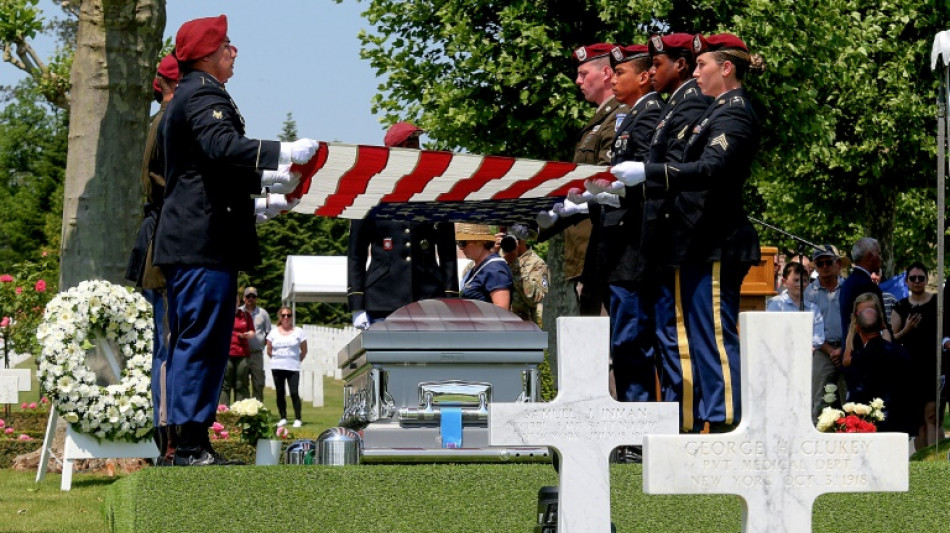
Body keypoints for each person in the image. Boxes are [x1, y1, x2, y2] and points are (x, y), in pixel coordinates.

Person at [154, 14, 320, 466]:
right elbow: (222, 148)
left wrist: (267, 194)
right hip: (200, 244)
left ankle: (192, 441)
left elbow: (210, 178)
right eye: (227, 43)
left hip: (202, 240)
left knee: (202, 341)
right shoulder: (202, 93)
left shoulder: (192, 94)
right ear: (208, 53)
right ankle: (187, 444)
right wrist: (283, 151)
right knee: (200, 342)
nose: (234, 49)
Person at [608, 33, 763, 433]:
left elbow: (712, 169)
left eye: (702, 65)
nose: (695, 73)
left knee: (712, 337)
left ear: (726, 68)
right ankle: (700, 423)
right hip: (695, 240)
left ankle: (727, 424)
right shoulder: (714, 112)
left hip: (716, 239)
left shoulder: (735, 111)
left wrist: (650, 172)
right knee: (694, 339)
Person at [539, 43, 627, 316]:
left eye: (582, 73)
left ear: (605, 73)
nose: (577, 81)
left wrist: (570, 203)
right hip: (587, 250)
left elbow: (606, 179)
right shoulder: (600, 119)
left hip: (603, 247)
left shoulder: (618, 116)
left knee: (605, 340)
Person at [347, 122, 458, 329]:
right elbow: (356, 253)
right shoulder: (371, 193)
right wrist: (357, 304)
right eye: (410, 143)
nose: (417, 148)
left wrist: (451, 297)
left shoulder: (434, 190)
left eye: (417, 142)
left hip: (428, 295)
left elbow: (447, 250)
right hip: (383, 297)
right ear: (394, 151)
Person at [124, 53, 179, 465]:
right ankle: (167, 438)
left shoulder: (167, 119)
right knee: (167, 346)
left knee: (170, 342)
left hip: (163, 236)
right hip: (163, 244)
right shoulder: (167, 122)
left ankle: (171, 434)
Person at [842, 292, 916, 434]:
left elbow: (882, 356)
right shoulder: (853, 334)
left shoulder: (883, 339)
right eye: (861, 312)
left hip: (883, 397)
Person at [890, 262, 938, 448]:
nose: (917, 281)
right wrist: (906, 329)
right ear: (906, 281)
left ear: (926, 280)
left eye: (921, 278)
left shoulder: (937, 303)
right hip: (910, 368)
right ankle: (920, 464)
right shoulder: (901, 306)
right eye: (913, 278)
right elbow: (892, 338)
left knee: (932, 416)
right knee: (918, 422)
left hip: (933, 365)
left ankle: (934, 464)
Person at [804, 244, 848, 417]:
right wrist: (830, 350)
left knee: (850, 400)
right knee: (820, 399)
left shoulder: (848, 289)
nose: (824, 267)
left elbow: (855, 320)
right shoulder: (809, 293)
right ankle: (816, 435)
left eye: (828, 262)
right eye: (819, 263)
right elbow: (808, 326)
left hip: (848, 349)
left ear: (837, 264)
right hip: (822, 352)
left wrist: (844, 349)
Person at [766, 262, 824, 351]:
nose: (800, 284)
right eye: (796, 280)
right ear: (784, 282)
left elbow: (819, 337)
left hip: (806, 354)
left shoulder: (813, 308)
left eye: (804, 280)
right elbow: (771, 333)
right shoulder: (775, 305)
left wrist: (804, 345)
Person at [267, 306, 308, 428]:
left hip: (293, 367)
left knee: (294, 392)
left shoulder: (298, 332)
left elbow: (304, 350)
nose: (286, 318)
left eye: (288, 315)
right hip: (277, 366)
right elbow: (269, 350)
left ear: (291, 317)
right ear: (279, 316)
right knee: (280, 393)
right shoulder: (273, 332)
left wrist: (296, 360)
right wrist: (278, 360)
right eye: (283, 315)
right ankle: (283, 417)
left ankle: (298, 418)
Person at [500, 224, 549, 324]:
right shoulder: (498, 259)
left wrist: (516, 267)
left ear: (522, 240)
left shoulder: (538, 264)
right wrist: (492, 253)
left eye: (511, 238)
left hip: (524, 328)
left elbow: (535, 299)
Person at [457, 223, 513, 308]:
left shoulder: (495, 269)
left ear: (480, 242)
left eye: (463, 243)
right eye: (459, 243)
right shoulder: (478, 266)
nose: (461, 248)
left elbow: (502, 311)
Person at [838, 237, 886, 339]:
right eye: (879, 254)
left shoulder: (848, 283)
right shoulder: (867, 286)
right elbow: (878, 324)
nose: (881, 258)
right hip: (866, 350)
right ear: (870, 256)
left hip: (850, 348)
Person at [219, 295, 254, 406]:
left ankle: (240, 413)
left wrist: (246, 335)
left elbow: (252, 332)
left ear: (239, 302)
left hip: (242, 354)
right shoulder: (222, 315)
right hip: (226, 354)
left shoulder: (245, 315)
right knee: (225, 385)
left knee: (241, 384)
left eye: (236, 301)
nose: (234, 303)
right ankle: (225, 413)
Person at [239, 286, 271, 402]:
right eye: (248, 296)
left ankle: (257, 411)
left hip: (256, 354)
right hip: (241, 354)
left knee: (258, 383)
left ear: (256, 298)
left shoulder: (263, 314)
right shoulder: (238, 312)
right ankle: (244, 411)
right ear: (244, 298)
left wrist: (262, 345)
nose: (250, 299)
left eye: (253, 296)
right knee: (242, 383)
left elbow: (268, 333)